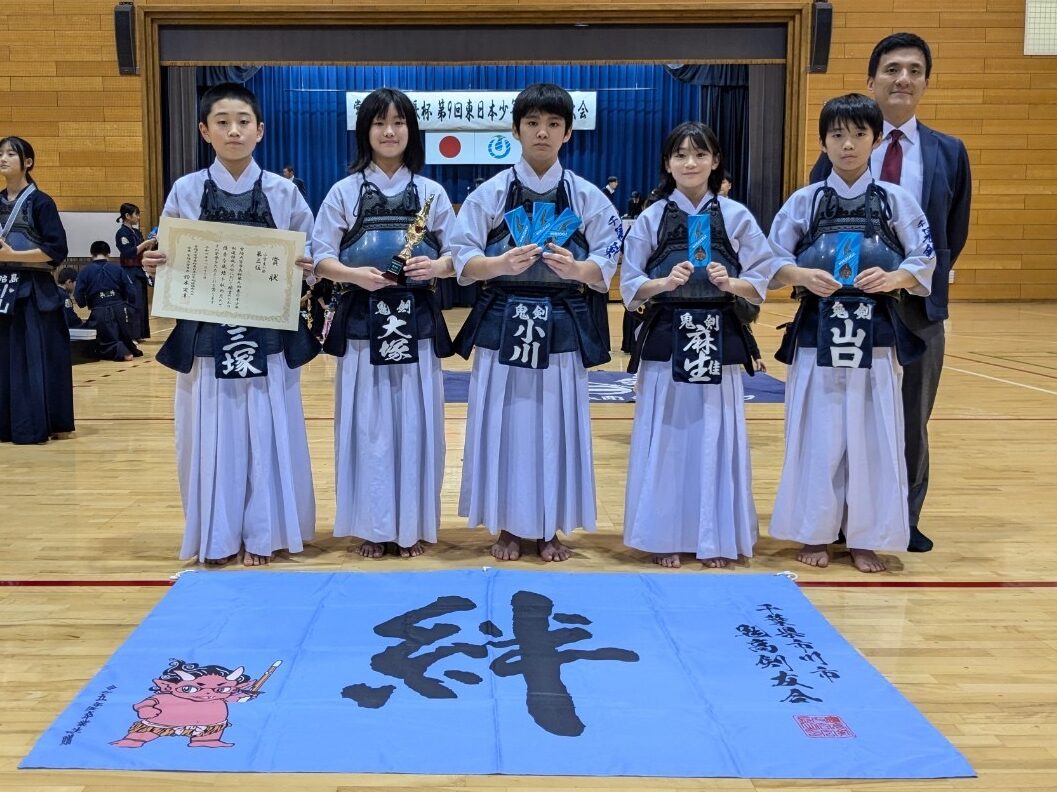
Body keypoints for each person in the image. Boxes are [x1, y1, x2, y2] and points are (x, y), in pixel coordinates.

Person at [142, 82, 318, 567]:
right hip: (206, 334)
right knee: (209, 435)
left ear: (260, 131)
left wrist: (308, 265)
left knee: (269, 428)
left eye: (243, 122)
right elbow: (167, 254)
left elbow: (313, 251)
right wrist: (155, 263)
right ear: (205, 131)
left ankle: (266, 532)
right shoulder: (186, 190)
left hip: (269, 333)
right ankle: (217, 536)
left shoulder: (284, 192)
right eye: (222, 122)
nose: (234, 131)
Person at [809, 33, 971, 553]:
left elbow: (953, 230)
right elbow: (816, 229)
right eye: (892, 69)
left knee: (910, 418)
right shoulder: (842, 147)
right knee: (849, 414)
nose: (903, 79)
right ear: (871, 79)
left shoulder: (948, 151)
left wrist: (909, 279)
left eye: (914, 71)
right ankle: (845, 518)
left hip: (917, 306)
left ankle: (904, 517)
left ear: (926, 81)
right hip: (848, 308)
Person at [450, 83, 621, 562]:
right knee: (502, 423)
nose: (542, 132)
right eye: (532, 123)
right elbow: (461, 256)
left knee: (556, 426)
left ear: (567, 133)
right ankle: (507, 524)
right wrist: (499, 264)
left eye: (552, 124)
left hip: (563, 322)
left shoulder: (587, 197)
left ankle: (550, 526)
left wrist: (579, 269)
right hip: (504, 319)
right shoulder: (490, 193)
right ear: (516, 131)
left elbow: (608, 257)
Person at [768, 93, 935, 573]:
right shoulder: (805, 202)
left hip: (876, 334)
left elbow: (924, 257)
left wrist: (895, 277)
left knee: (872, 436)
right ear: (823, 141)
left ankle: (866, 536)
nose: (848, 144)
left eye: (859, 134)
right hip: (815, 332)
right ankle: (815, 532)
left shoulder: (895, 201)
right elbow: (769, 261)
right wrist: (801, 276)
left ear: (876, 140)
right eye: (837, 135)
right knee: (817, 433)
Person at [620, 121, 775, 569]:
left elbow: (763, 276)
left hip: (719, 335)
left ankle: (715, 536)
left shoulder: (736, 216)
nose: (690, 163)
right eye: (681, 155)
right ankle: (663, 535)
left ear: (715, 161)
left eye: (700, 154)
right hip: (667, 335)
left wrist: (734, 282)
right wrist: (663, 283)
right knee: (667, 436)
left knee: (715, 435)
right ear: (667, 163)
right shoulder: (652, 217)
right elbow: (629, 284)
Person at [311, 87, 457, 559]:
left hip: (416, 322)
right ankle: (371, 526)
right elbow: (319, 258)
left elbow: (461, 255)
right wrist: (355, 275)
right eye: (379, 123)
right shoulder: (344, 192)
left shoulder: (432, 193)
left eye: (398, 122)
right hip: (362, 322)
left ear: (411, 131)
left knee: (416, 423)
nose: (389, 131)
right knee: (367, 426)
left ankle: (412, 525)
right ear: (365, 132)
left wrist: (436, 267)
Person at [0, 136, 73, 445]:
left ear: (27, 162)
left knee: (32, 358)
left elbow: (57, 250)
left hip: (33, 288)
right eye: (0, 153)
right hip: (3, 289)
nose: (3, 158)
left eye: (10, 153)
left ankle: (34, 425)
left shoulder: (41, 202)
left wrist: (13, 255)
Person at [74, 241, 141, 361]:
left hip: (99, 310)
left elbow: (78, 295)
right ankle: (128, 348)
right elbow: (131, 291)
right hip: (120, 308)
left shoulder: (85, 271)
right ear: (108, 253)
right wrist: (128, 304)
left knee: (102, 339)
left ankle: (121, 351)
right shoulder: (118, 269)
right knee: (122, 334)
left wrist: (83, 303)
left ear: (91, 254)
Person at [115, 202, 155, 341]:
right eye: (136, 214)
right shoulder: (122, 233)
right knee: (133, 303)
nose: (138, 217)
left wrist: (151, 243)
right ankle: (132, 335)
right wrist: (144, 244)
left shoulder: (136, 232)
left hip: (139, 270)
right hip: (129, 271)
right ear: (127, 216)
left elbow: (143, 252)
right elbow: (129, 253)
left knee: (142, 303)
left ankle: (140, 333)